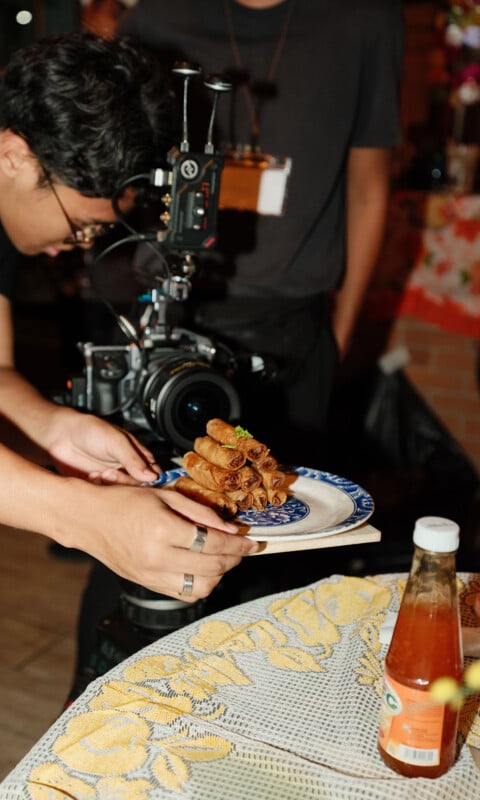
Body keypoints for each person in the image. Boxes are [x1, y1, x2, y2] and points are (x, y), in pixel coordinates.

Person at [0, 30, 258, 799]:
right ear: (19, 152)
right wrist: (83, 517)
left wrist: (57, 428)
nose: (81, 245)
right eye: (83, 224)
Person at [61, 0, 404, 702]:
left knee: (290, 553)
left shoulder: (365, 19)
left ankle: (260, 731)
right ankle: (102, 725)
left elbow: (369, 187)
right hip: (171, 319)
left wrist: (336, 333)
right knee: (141, 547)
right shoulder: (154, 15)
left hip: (293, 327)